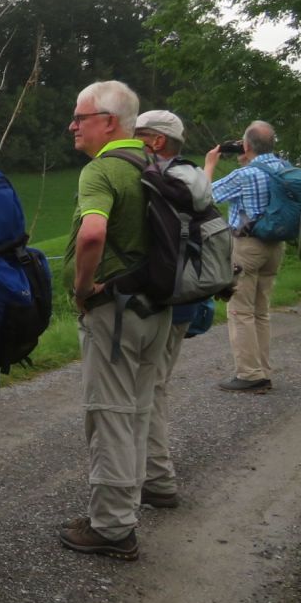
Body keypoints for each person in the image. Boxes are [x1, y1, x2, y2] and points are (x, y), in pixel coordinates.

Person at [58, 81, 173, 561]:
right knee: (139, 410)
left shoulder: (102, 170)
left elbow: (93, 233)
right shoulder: (157, 165)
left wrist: (83, 290)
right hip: (158, 309)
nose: (73, 126)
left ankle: (111, 527)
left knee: (109, 415)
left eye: (80, 118)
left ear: (108, 121)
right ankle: (130, 504)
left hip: (114, 312)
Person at [131, 110, 212, 509]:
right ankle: (153, 474)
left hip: (161, 299)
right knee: (157, 385)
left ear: (156, 141)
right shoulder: (191, 177)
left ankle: (158, 479)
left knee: (151, 390)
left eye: (138, 136)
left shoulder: (160, 181)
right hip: (185, 299)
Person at [205, 120, 288, 393]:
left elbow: (203, 196)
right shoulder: (284, 167)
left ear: (247, 145)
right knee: (261, 311)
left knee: (240, 311)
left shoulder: (247, 174)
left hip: (247, 246)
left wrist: (209, 164)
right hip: (276, 245)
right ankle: (263, 370)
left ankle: (250, 375)